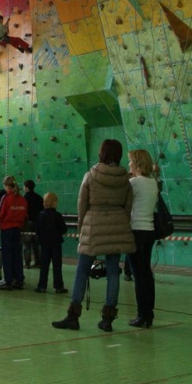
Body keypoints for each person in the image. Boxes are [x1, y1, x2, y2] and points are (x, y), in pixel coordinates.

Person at [52, 139, 135, 332]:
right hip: (116, 227)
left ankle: (73, 316)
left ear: (102, 153)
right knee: (113, 272)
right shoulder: (125, 179)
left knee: (82, 270)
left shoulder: (90, 175)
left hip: (93, 226)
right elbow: (128, 207)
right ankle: (107, 319)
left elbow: (82, 206)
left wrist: (82, 230)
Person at [127, 149, 158, 328]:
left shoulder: (135, 182)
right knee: (146, 273)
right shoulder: (152, 182)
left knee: (139, 275)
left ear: (138, 163)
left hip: (136, 231)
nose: (129, 164)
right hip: (149, 231)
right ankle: (149, 313)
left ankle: (141, 314)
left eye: (131, 161)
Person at [0, 176, 28, 291]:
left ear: (6, 186)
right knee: (17, 255)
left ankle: (8, 280)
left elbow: (0, 214)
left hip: (7, 229)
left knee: (7, 255)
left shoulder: (6, 198)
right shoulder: (23, 200)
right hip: (17, 230)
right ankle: (19, 279)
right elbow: (25, 215)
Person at [35, 192, 68, 294]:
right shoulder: (58, 216)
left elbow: (37, 229)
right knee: (57, 265)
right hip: (56, 243)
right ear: (54, 203)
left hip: (44, 244)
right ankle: (58, 286)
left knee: (44, 265)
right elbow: (63, 229)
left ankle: (42, 286)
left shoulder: (40, 215)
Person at [22, 179, 43, 269]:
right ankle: (38, 261)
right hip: (37, 223)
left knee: (27, 244)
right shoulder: (39, 197)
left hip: (28, 222)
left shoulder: (24, 198)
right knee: (36, 243)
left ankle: (27, 263)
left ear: (27, 187)